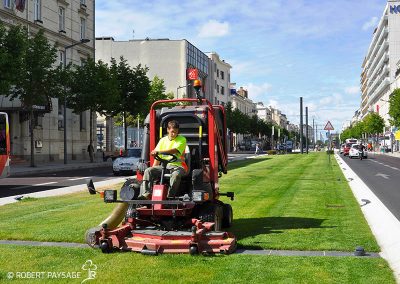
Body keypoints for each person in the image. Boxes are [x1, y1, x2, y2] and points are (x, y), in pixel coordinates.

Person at [138, 120, 187, 200]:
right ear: (168, 130)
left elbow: (174, 150)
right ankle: (146, 194)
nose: (174, 134)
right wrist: (153, 168)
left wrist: (159, 152)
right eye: (172, 132)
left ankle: (170, 197)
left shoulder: (182, 139)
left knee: (175, 175)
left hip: (178, 167)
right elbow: (157, 156)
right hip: (164, 167)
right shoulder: (163, 140)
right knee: (148, 171)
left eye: (176, 132)